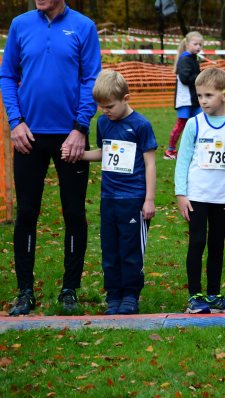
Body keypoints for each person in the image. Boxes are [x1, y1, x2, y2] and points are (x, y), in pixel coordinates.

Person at [0, 0, 102, 315]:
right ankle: (24, 292)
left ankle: (69, 290)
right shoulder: (19, 25)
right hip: (28, 135)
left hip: (70, 138)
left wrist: (79, 127)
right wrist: (15, 122)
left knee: (74, 212)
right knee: (27, 212)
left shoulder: (84, 27)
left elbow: (92, 80)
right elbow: (7, 76)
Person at [61, 70, 157, 315]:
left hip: (133, 198)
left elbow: (150, 164)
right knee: (110, 248)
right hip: (109, 198)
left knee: (131, 248)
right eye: (101, 107)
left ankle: (130, 295)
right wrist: (79, 155)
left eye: (110, 106)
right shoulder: (103, 123)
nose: (105, 111)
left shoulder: (141, 125)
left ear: (126, 98)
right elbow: (104, 153)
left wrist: (149, 200)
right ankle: (113, 294)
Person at [175, 68, 225, 314]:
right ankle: (194, 296)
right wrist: (181, 194)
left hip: (223, 198)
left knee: (217, 245)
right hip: (197, 196)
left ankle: (214, 296)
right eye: (199, 95)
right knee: (197, 242)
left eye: (209, 95)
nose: (203, 100)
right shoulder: (193, 124)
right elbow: (183, 160)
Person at [165, 32, 204, 160]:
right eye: (195, 44)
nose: (198, 47)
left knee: (199, 123)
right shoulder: (185, 59)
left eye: (200, 44)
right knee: (181, 124)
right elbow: (185, 78)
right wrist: (200, 77)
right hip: (185, 99)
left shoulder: (193, 59)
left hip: (194, 99)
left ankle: (195, 149)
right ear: (187, 44)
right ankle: (170, 151)